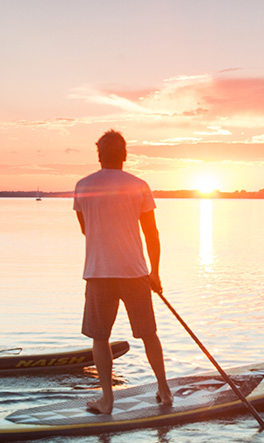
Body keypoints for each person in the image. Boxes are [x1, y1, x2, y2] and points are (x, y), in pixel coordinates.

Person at [73, 130, 173, 414]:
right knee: (148, 333)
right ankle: (164, 390)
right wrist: (155, 272)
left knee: (100, 337)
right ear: (125, 156)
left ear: (99, 155)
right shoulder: (139, 185)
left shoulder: (83, 186)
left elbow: (85, 229)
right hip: (134, 272)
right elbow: (151, 233)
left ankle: (107, 400)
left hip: (98, 271)